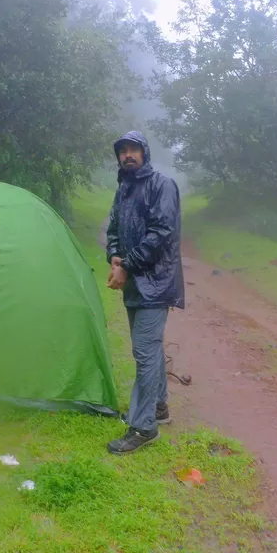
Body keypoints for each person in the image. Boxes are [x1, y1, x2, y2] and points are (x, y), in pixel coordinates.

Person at [105, 131, 185, 455]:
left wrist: (127, 265)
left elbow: (161, 233)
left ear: (144, 152)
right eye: (122, 150)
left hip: (156, 281)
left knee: (144, 350)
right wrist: (113, 256)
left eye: (133, 149)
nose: (127, 155)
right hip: (135, 283)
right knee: (150, 348)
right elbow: (113, 229)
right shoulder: (124, 189)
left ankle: (143, 426)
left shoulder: (161, 185)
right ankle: (159, 408)